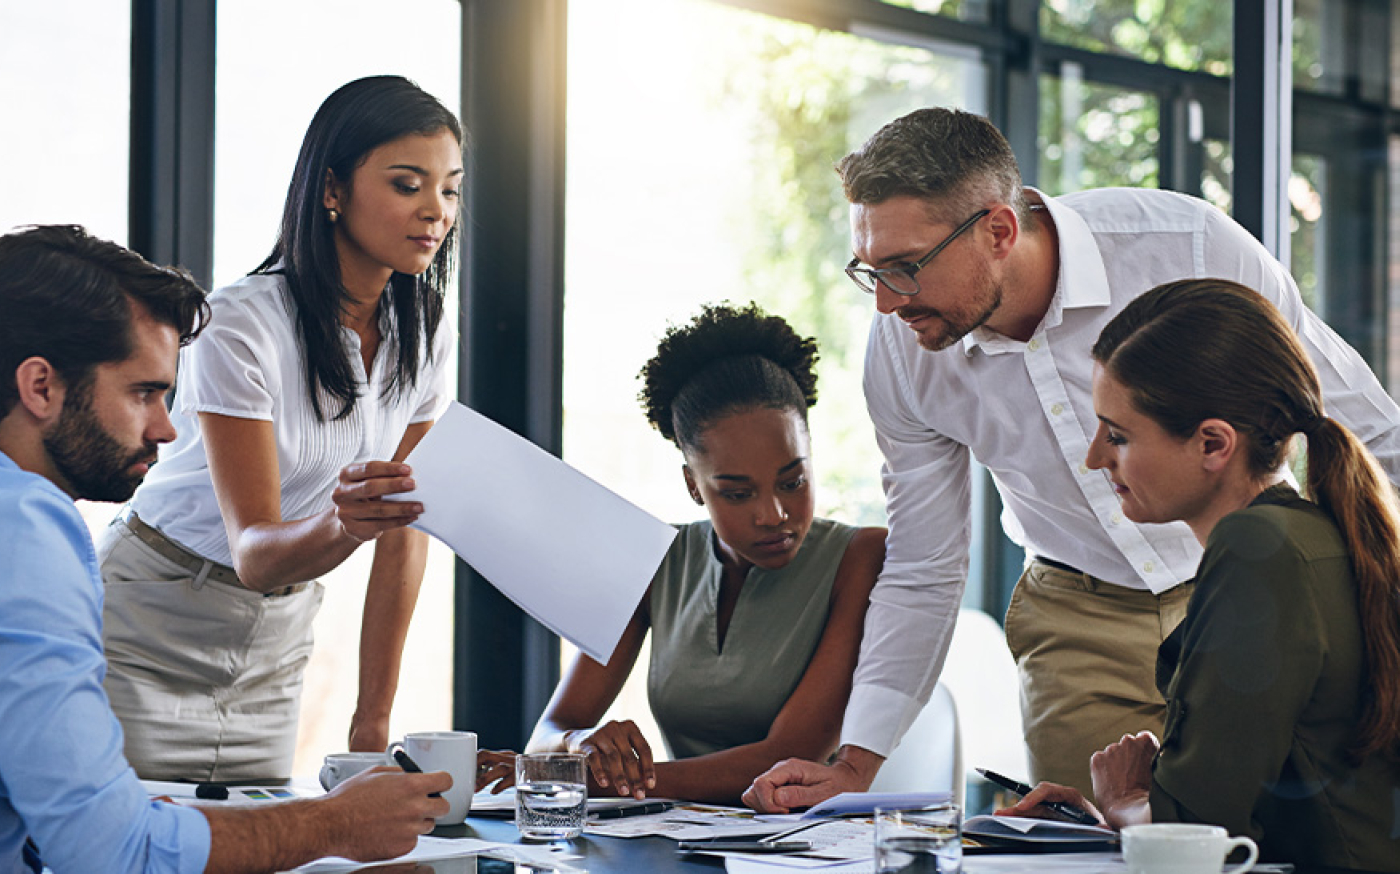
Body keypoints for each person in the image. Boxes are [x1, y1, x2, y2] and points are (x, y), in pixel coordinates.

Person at [743, 106, 1400, 810]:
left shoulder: (1190, 247)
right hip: (1076, 622)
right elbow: (924, 562)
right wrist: (855, 764)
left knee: (1267, 835)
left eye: (906, 268)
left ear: (998, 230)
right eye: (868, 271)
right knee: (1097, 845)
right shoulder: (904, 354)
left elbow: (1359, 421)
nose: (884, 303)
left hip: (1254, 594)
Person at [0, 224, 452, 873]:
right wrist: (336, 822)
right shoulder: (28, 529)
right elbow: (109, 851)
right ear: (40, 386)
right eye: (144, 393)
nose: (165, 428)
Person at [98, 75, 461, 781]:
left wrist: (372, 717)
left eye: (449, 189)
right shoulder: (241, 323)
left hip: (277, 639)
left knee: (261, 847)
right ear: (332, 189)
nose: (435, 211)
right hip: (150, 621)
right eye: (407, 184)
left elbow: (405, 527)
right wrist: (347, 523)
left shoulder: (426, 328)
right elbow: (257, 552)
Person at [998, 278, 1400, 871]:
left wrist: (1125, 803)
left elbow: (1199, 829)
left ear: (1213, 444)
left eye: (1119, 435)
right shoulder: (1313, 535)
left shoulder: (1257, 549)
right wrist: (1117, 813)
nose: (1094, 458)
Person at [481, 303, 884, 805]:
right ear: (694, 484)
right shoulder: (652, 559)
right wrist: (577, 745)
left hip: (817, 848)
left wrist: (583, 777)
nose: (774, 514)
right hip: (681, 840)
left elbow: (788, 758)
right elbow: (551, 729)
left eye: (793, 481)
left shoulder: (861, 556)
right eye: (738, 493)